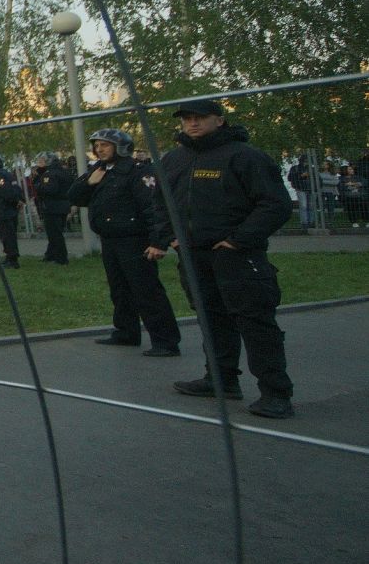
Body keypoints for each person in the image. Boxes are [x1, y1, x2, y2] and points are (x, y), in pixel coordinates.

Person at [149, 99, 296, 418]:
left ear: (220, 119)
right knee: (210, 318)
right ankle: (221, 380)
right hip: (192, 256)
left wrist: (237, 240)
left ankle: (275, 392)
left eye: (200, 117)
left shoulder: (245, 156)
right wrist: (170, 237)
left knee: (255, 322)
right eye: (187, 118)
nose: (193, 123)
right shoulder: (174, 159)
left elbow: (275, 204)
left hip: (238, 257)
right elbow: (160, 203)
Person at [67, 128, 180, 356]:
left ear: (120, 147)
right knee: (119, 290)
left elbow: (153, 208)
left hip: (134, 240)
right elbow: (74, 196)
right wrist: (89, 183)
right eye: (97, 146)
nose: (100, 150)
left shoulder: (138, 172)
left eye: (105, 145)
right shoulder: (99, 170)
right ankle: (126, 332)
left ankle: (165, 340)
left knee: (146, 291)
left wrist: (158, 242)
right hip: (110, 240)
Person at [32, 153, 75, 264]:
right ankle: (50, 255)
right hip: (63, 205)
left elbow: (49, 189)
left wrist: (38, 185)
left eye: (41, 161)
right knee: (56, 231)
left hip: (52, 206)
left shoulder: (49, 174)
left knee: (54, 233)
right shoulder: (64, 172)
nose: (39, 163)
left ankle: (61, 258)